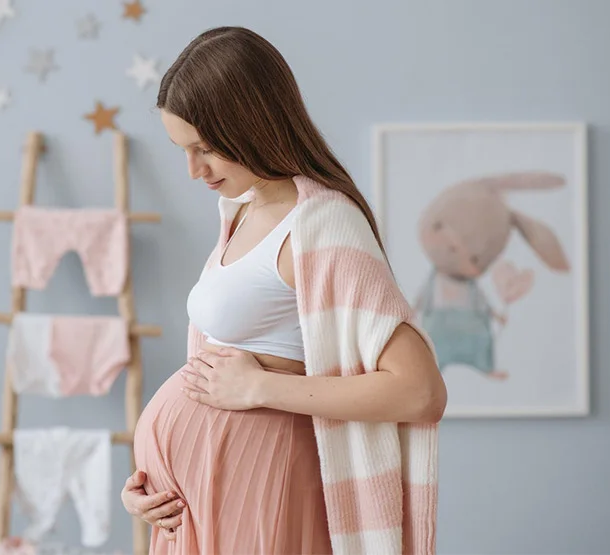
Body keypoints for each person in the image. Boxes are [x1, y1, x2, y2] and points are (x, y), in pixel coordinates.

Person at [121, 26, 447, 555]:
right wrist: (149, 485)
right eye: (183, 149)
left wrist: (261, 389)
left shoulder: (323, 225)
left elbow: (421, 391)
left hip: (263, 488)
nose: (193, 170)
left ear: (253, 124)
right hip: (201, 503)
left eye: (205, 149)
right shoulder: (243, 210)